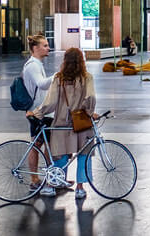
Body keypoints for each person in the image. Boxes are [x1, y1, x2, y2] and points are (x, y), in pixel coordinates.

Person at [29, 46, 97, 201]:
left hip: (62, 123)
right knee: (83, 154)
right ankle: (80, 189)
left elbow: (51, 103)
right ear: (82, 61)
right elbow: (91, 98)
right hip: (82, 122)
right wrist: (90, 112)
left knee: (59, 153)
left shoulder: (58, 78)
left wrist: (37, 113)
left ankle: (52, 186)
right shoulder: (87, 77)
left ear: (65, 61)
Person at [23, 34, 56, 193]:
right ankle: (36, 179)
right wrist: (58, 74)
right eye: (45, 45)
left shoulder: (37, 64)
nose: (48, 48)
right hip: (38, 113)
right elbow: (42, 85)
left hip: (42, 111)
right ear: (35, 48)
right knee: (39, 145)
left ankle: (47, 178)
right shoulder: (32, 65)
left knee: (45, 145)